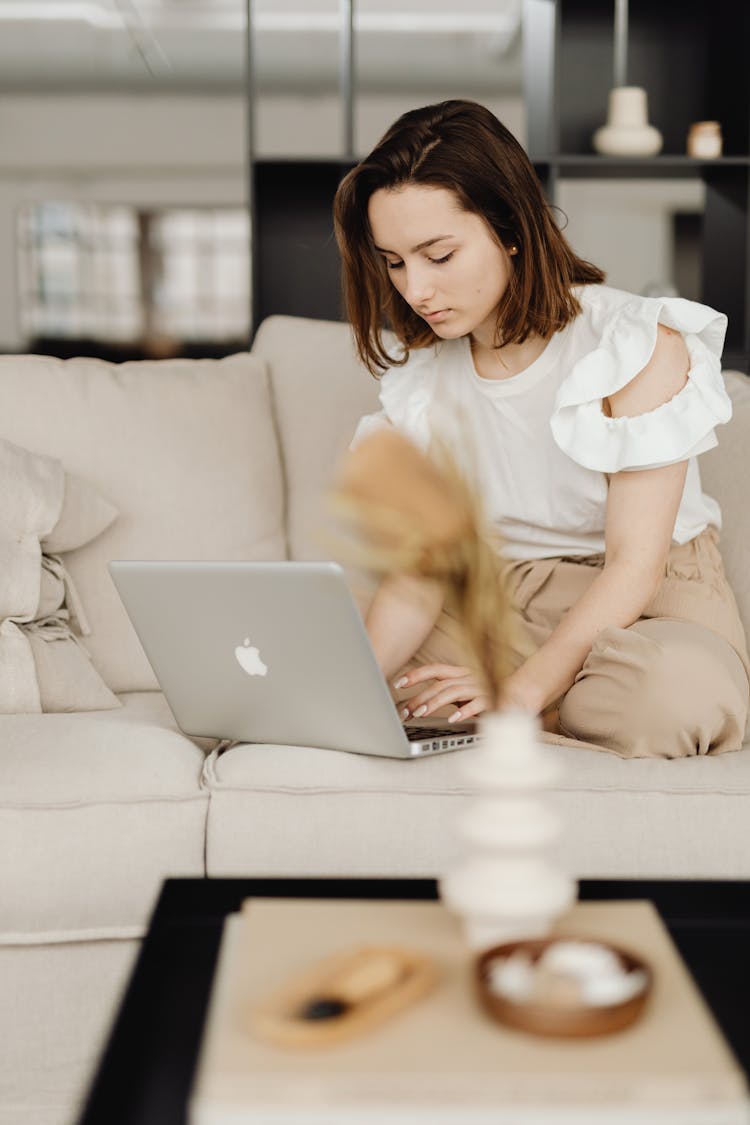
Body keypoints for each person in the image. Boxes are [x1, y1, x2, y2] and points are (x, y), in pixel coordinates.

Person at [332, 99, 750, 758]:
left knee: (672, 697)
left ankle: (540, 704)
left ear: (510, 228)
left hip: (647, 602)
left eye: (438, 254)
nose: (415, 288)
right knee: (359, 664)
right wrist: (347, 689)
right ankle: (540, 699)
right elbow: (423, 576)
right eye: (394, 261)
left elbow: (634, 567)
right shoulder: (424, 381)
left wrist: (519, 692)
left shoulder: (633, 344)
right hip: (501, 598)